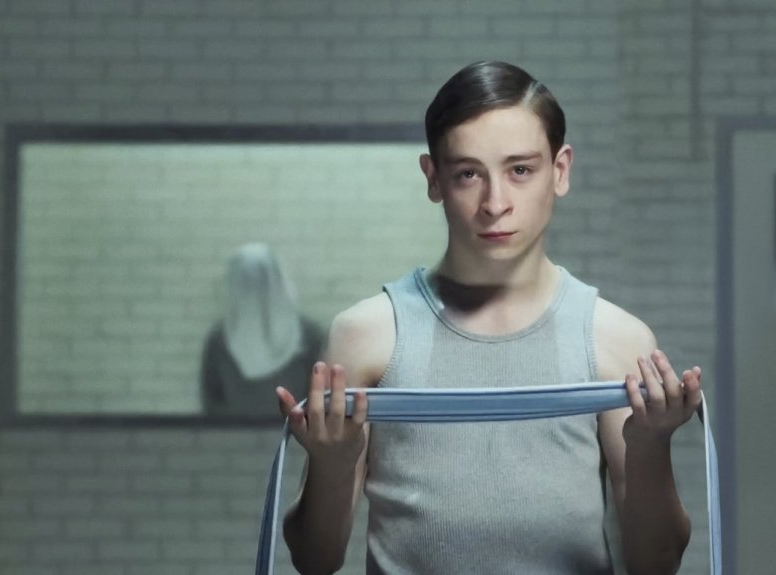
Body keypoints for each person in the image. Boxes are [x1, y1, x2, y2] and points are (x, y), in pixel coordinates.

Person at [276, 61, 703, 574]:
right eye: (468, 174)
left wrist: (651, 445)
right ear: (433, 178)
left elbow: (657, 565)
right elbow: (314, 561)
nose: (495, 203)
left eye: (520, 170)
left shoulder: (616, 340)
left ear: (560, 171)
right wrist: (333, 462)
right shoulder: (367, 336)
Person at [202, 242, 324, 420]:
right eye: (246, 282)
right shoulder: (220, 340)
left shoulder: (307, 336)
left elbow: (319, 396)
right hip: (235, 434)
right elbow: (212, 401)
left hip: (294, 433)